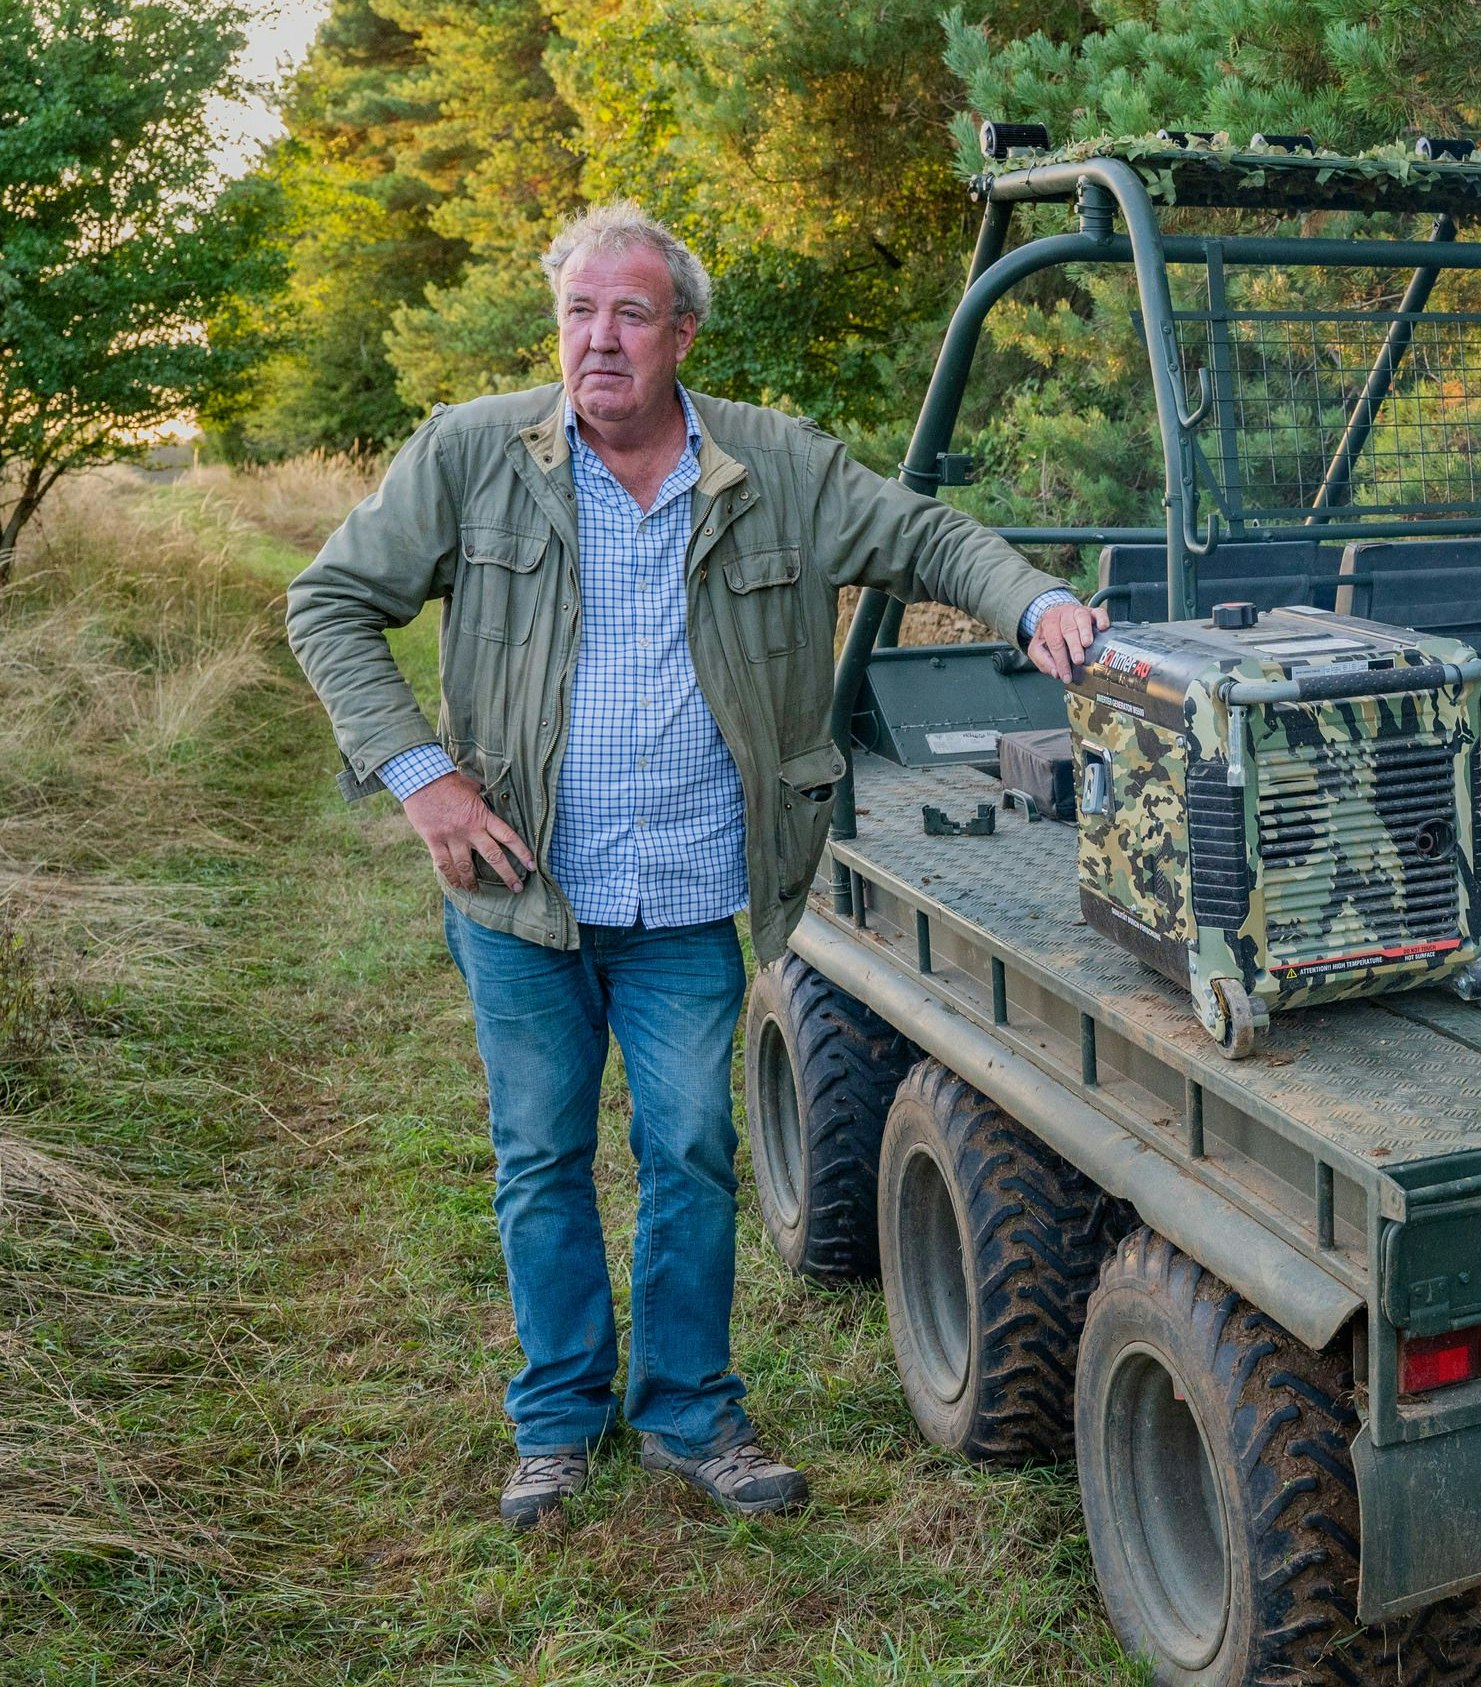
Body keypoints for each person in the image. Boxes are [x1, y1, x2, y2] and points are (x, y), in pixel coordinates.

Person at [285, 202, 1105, 1529]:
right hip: (522, 896)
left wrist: (1034, 601)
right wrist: (418, 775)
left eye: (627, 313)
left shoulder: (771, 465)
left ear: (681, 334)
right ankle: (556, 1421)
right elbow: (327, 601)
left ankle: (688, 1413)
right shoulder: (473, 454)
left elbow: (923, 537)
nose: (595, 340)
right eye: (575, 312)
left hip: (682, 898)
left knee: (690, 1149)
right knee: (541, 1157)